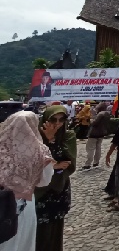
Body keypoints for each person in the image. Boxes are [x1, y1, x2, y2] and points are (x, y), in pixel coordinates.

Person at [0, 112, 54, 251]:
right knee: (23, 241)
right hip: (24, 204)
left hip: (2, 203)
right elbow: (45, 181)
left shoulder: (2, 146)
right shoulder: (41, 152)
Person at [35, 105, 77, 251]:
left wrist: (51, 140)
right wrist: (53, 165)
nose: (57, 123)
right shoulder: (36, 134)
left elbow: (69, 162)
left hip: (58, 188)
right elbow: (34, 160)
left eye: (62, 119)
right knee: (38, 228)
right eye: (53, 119)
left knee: (55, 228)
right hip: (39, 189)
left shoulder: (68, 135)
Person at [81, 102, 111, 170]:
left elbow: (94, 123)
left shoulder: (100, 114)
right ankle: (96, 162)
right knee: (98, 148)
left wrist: (91, 118)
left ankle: (88, 163)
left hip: (94, 133)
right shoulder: (107, 114)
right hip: (102, 133)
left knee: (90, 149)